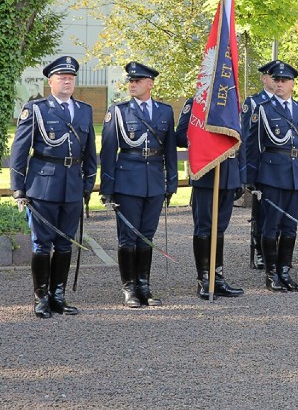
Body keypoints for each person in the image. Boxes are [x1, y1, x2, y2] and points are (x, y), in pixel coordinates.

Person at [10, 56, 97, 318]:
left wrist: (88, 183)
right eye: (62, 77)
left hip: (72, 185)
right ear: (51, 81)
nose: (67, 81)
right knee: (42, 244)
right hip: (43, 185)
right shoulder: (36, 109)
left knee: (65, 243)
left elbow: (90, 150)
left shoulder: (84, 110)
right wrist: (19, 188)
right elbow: (19, 151)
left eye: (71, 77)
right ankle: (41, 298)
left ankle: (58, 296)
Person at [100, 62, 178, 308]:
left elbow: (170, 151)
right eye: (130, 81)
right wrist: (107, 189)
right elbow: (108, 152)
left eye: (137, 80)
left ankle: (144, 285)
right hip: (127, 181)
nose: (132, 84)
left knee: (147, 237)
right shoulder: (119, 112)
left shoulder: (164, 112)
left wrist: (171, 183)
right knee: (128, 238)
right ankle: (129, 289)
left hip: (154, 181)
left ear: (150, 83)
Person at [245, 61, 298, 292]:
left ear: (293, 84)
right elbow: (252, 146)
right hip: (272, 174)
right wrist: (250, 177)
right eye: (277, 80)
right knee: (271, 226)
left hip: (296, 174)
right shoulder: (263, 109)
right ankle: (271, 273)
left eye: (285, 81)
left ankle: (285, 271)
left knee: (290, 227)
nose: (280, 84)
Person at [176, 97, 245, 299]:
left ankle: (218, 277)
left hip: (229, 175)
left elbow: (243, 141)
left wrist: (240, 177)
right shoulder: (196, 104)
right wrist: (205, 136)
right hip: (207, 174)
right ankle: (204, 279)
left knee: (220, 229)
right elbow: (180, 137)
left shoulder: (234, 103)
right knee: (204, 227)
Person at [241, 60, 279, 270]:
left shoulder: (286, 102)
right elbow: (248, 138)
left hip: (280, 167)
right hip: (262, 165)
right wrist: (249, 172)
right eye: (272, 76)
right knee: (262, 211)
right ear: (264, 78)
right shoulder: (254, 103)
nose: (276, 80)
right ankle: (259, 249)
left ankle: (274, 250)